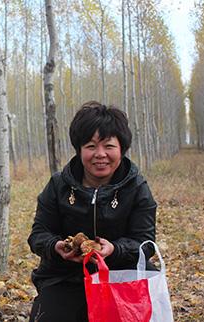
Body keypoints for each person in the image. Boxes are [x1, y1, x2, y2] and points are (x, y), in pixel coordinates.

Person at [28, 101, 157, 321]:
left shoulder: (136, 188)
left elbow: (145, 243)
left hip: (121, 276)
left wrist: (114, 249)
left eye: (108, 146)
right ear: (79, 150)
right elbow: (38, 235)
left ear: (122, 149)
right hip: (65, 277)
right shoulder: (58, 186)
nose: (100, 154)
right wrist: (58, 247)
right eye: (90, 146)